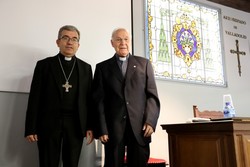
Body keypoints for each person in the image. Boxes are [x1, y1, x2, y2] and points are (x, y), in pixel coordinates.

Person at [24, 25, 94, 167]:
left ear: (78, 45)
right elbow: (35, 98)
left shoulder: (86, 68)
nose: (70, 42)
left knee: (72, 163)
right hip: (49, 123)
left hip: (76, 124)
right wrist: (31, 128)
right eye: (65, 38)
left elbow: (89, 101)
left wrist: (90, 127)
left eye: (74, 39)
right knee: (48, 162)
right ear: (58, 42)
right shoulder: (44, 65)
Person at [92, 28, 160, 167]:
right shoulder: (102, 68)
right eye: (118, 39)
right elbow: (98, 101)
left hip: (140, 128)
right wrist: (102, 129)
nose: (123, 43)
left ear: (130, 41)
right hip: (113, 129)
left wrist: (150, 121)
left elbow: (152, 96)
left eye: (126, 39)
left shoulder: (144, 64)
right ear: (112, 43)